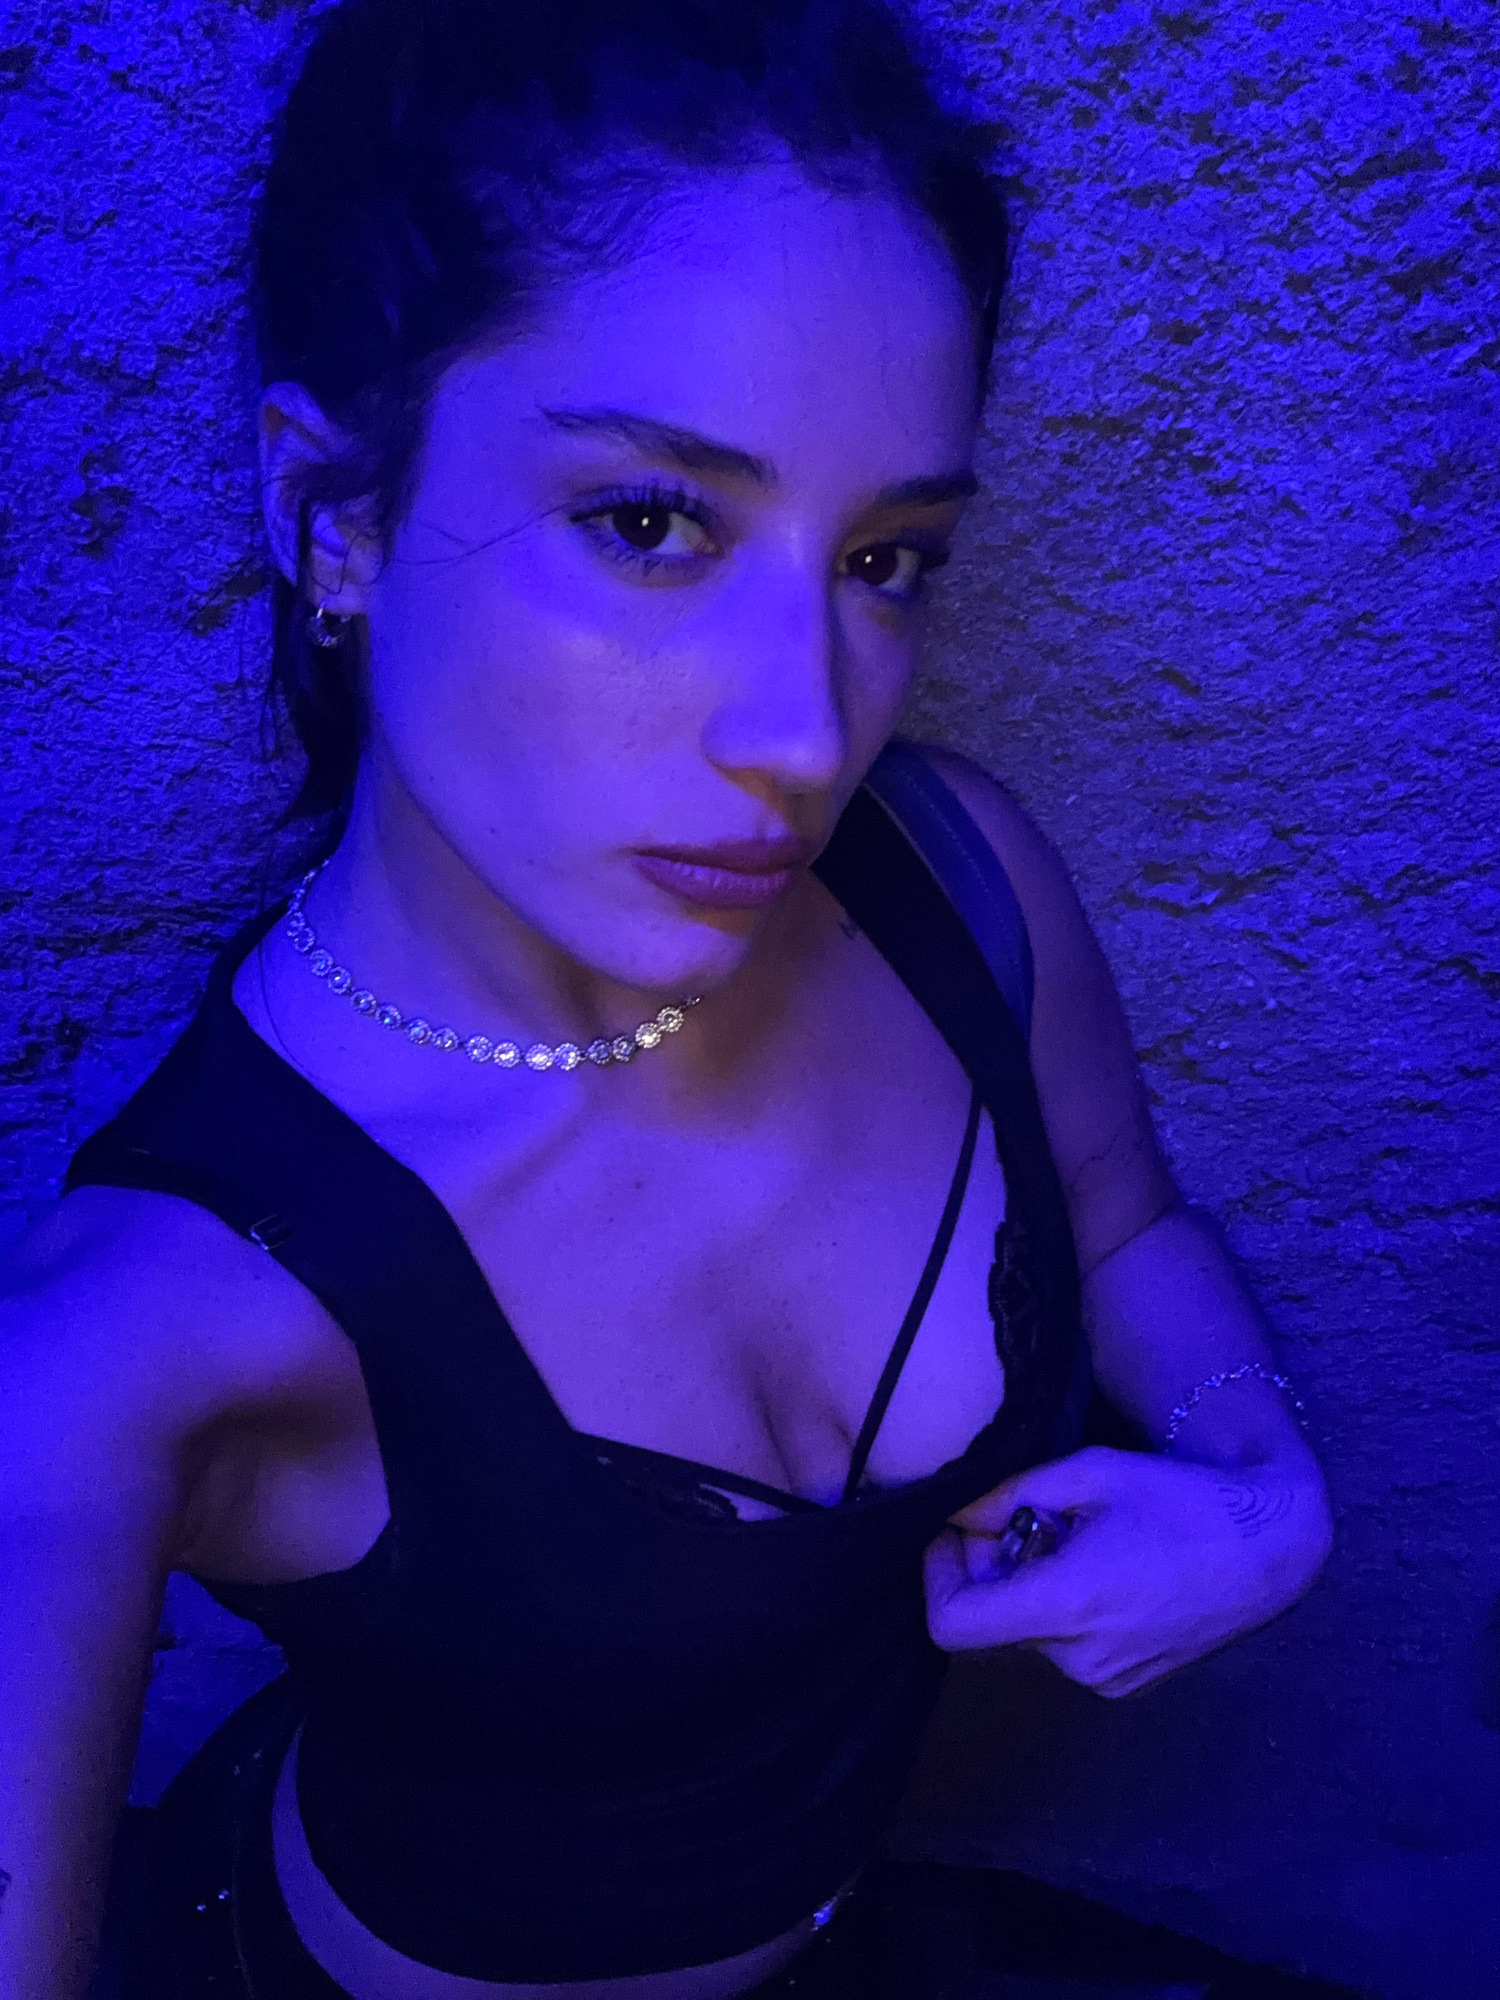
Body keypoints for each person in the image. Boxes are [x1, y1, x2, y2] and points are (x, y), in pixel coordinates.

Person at [0, 2, 1335, 1996]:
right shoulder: (133, 1340)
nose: (806, 734)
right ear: (332, 518)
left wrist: (1264, 1494)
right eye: (650, 524)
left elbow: (1124, 1217)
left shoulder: (956, 880)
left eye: (887, 559)